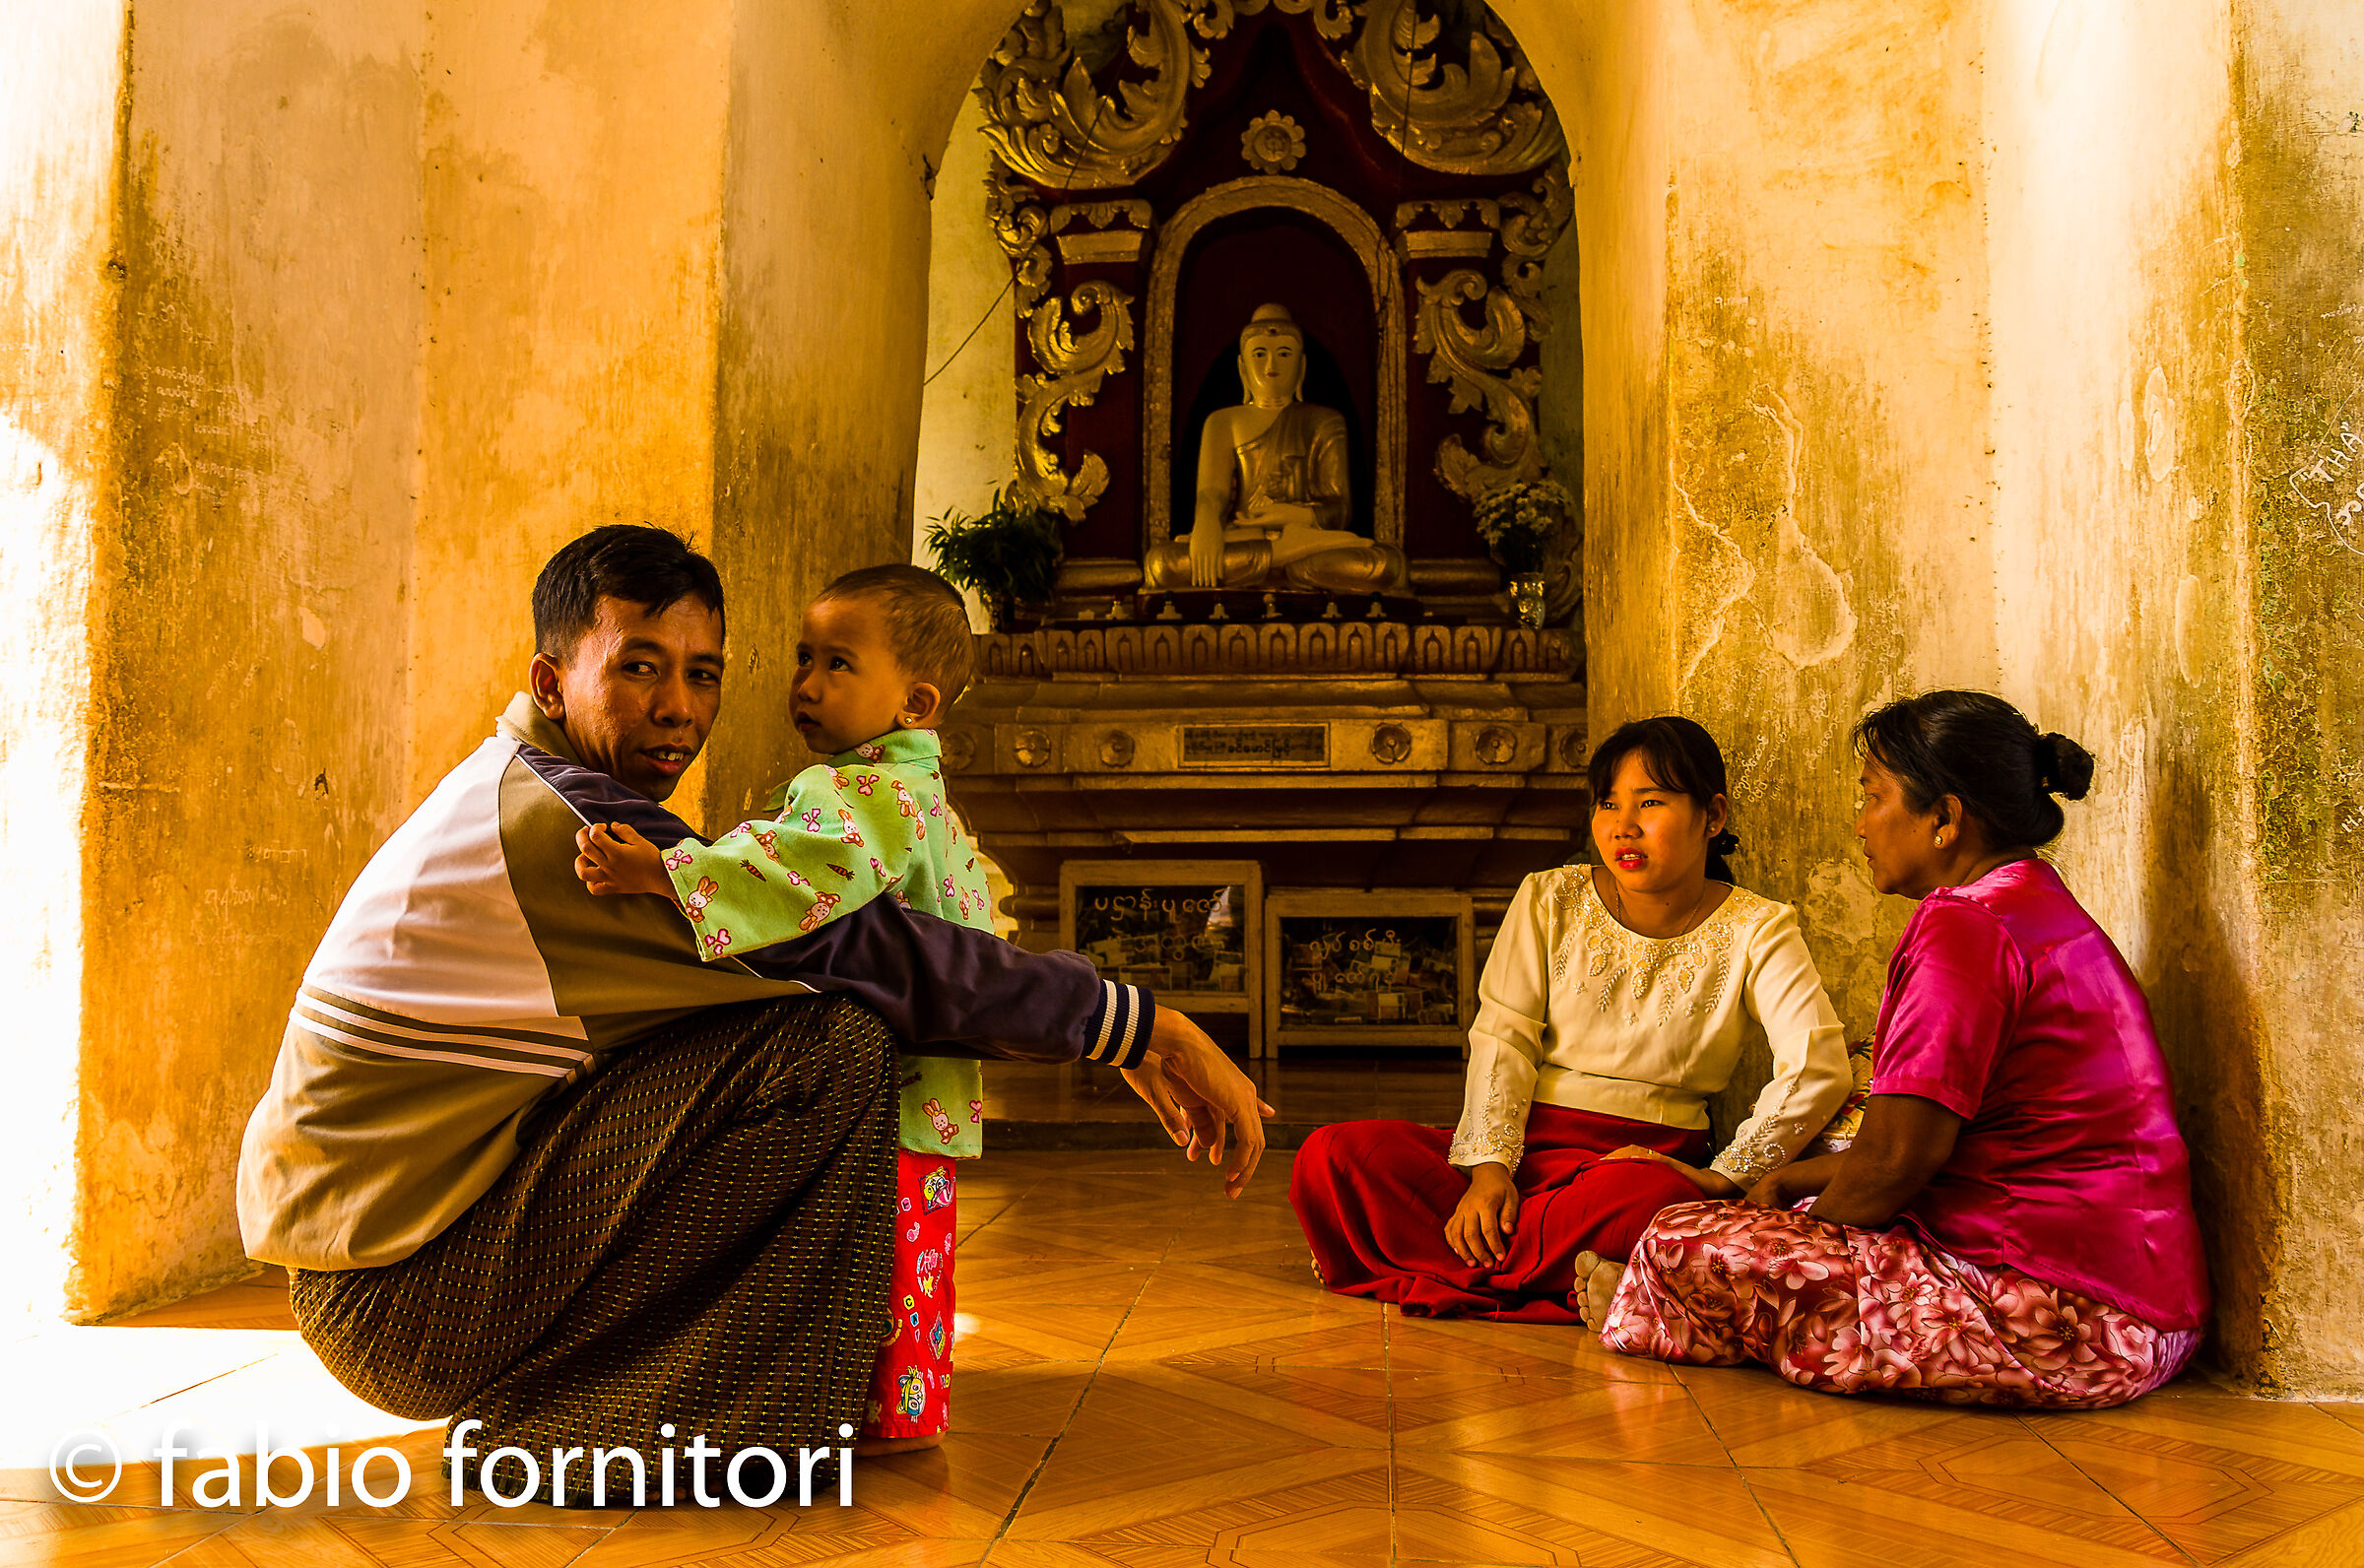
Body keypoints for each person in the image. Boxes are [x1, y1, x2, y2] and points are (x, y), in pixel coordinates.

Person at [236, 526, 1269, 1503]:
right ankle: (593, 1428)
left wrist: (1106, 1021)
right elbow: (869, 954)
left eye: (704, 672)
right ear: (552, 681)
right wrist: (1143, 1024)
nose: (679, 706)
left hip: (408, 1276)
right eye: (639, 667)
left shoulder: (553, 793)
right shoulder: (572, 826)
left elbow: (833, 934)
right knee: (827, 1046)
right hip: (402, 1303)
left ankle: (693, 1401)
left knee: (795, 1029)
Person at [1602, 691, 2209, 1408]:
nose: (1860, 824)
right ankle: (1681, 1302)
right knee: (1747, 1219)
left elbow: (1897, 1162)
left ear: (1945, 819)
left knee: (1681, 1239)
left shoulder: (1966, 927)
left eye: (1874, 796)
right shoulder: (2033, 899)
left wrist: (1788, 1237)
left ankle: (1651, 1302)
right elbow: (1905, 1148)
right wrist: (1794, 1183)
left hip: (2064, 1322)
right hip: (2148, 1307)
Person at [575, 562, 995, 1454]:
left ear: (915, 703)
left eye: (838, 665)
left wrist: (663, 872)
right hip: (930, 1080)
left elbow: (792, 875)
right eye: (803, 658)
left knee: (881, 1253)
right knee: (913, 1250)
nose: (805, 685)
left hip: (895, 1073)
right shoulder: (920, 796)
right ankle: (902, 1407)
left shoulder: (867, 795)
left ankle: (887, 1413)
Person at [1289, 716, 1850, 1323]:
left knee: (1653, 1203)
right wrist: (1488, 1172)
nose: (1623, 827)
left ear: (1713, 817)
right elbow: (1503, 1038)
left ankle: (1405, 1259)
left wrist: (1724, 1179)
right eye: (1608, 804)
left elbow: (1817, 1067)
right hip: (1524, 1156)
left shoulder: (1757, 927)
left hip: (1635, 1168)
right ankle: (1571, 1276)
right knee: (1335, 1152)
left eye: (1651, 802)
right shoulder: (1549, 897)